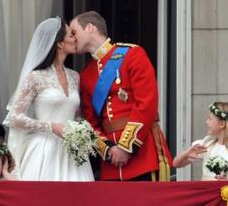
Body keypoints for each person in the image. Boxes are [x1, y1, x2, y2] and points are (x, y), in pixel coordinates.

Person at [70, 11, 172, 181]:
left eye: (74, 32)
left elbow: (147, 103)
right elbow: (90, 122)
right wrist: (108, 150)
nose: (72, 38)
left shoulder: (132, 54)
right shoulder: (87, 73)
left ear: (90, 27)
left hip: (143, 155)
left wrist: (126, 147)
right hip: (111, 163)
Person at [3, 16, 94, 181]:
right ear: (60, 43)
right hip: (44, 151)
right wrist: (51, 126)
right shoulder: (35, 77)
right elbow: (15, 117)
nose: (75, 38)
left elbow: (76, 115)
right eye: (70, 35)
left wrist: (82, 131)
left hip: (72, 151)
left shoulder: (75, 76)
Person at [173, 102, 228, 181]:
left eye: (210, 119)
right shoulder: (207, 144)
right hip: (207, 193)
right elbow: (176, 164)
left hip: (227, 193)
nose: (206, 122)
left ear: (222, 124)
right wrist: (186, 154)